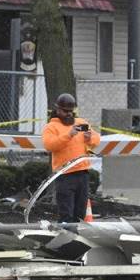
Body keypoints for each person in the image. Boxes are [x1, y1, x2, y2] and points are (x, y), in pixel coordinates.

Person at [42, 93, 100, 223]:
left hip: (82, 173)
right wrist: (68, 135)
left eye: (70, 111)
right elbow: (49, 145)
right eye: (65, 111)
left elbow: (96, 139)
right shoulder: (51, 127)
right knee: (66, 211)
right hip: (64, 175)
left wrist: (90, 138)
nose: (68, 114)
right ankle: (65, 237)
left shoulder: (80, 123)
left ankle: (77, 237)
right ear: (57, 110)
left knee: (80, 212)